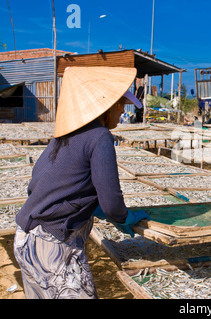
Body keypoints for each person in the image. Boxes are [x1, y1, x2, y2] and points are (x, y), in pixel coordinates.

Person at [13, 66, 150, 299]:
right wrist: (123, 217)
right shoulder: (100, 137)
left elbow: (42, 185)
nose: (121, 115)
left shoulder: (65, 136)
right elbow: (110, 201)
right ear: (111, 106)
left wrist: (93, 209)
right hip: (52, 247)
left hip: (26, 238)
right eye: (122, 107)